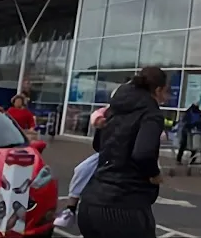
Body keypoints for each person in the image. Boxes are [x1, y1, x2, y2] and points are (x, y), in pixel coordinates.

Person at [77, 67, 168, 238]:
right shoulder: (151, 113)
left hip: (91, 203)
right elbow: (143, 153)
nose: (166, 98)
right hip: (125, 207)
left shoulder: (116, 107)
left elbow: (98, 145)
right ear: (158, 90)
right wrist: (154, 174)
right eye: (165, 92)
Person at [54, 86, 125, 227]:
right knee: (81, 170)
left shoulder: (138, 114)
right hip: (106, 153)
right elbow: (96, 116)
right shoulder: (108, 112)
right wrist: (98, 120)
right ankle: (70, 210)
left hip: (128, 155)